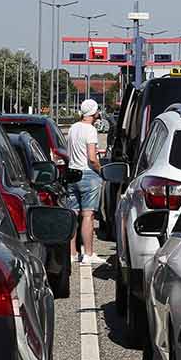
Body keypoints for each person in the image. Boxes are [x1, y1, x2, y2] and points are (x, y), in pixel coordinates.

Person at [67, 99, 105, 265]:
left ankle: (72, 253)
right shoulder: (90, 130)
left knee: (72, 214)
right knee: (88, 215)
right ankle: (88, 254)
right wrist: (100, 169)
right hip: (88, 175)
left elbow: (71, 152)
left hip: (72, 173)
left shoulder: (73, 128)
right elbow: (91, 157)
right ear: (94, 113)